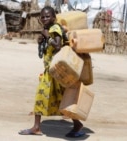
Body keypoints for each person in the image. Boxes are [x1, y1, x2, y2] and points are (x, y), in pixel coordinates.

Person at [18, 6, 85, 138]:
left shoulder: (55, 29)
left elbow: (58, 46)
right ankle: (75, 124)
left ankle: (40, 127)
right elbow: (49, 47)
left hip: (56, 71)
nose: (44, 18)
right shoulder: (48, 29)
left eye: (48, 16)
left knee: (48, 97)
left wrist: (48, 37)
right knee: (57, 99)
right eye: (42, 16)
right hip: (51, 70)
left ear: (54, 17)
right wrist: (42, 41)